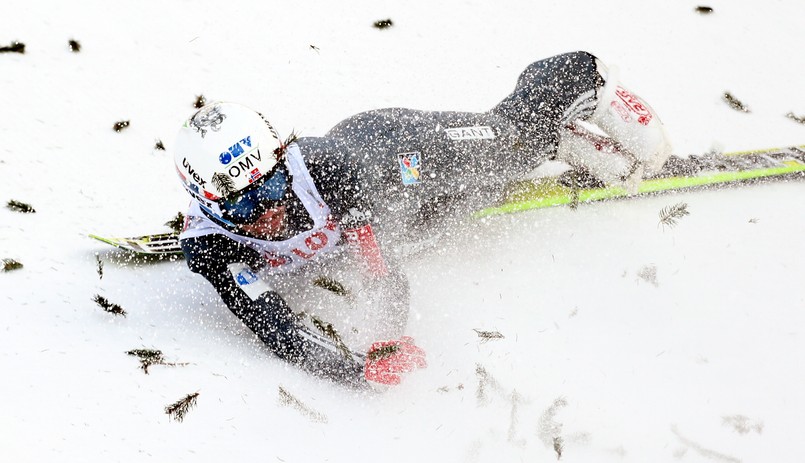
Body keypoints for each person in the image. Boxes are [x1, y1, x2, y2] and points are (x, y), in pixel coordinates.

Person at [172, 50, 672, 388]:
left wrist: (390, 333)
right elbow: (273, 326)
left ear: (283, 160)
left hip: (395, 151)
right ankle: (562, 144)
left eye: (275, 185)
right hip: (401, 219)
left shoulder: (331, 175)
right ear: (207, 200)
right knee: (470, 204)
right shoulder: (211, 247)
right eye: (242, 205)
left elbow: (381, 270)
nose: (268, 210)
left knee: (510, 141)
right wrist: (356, 368)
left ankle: (589, 79)